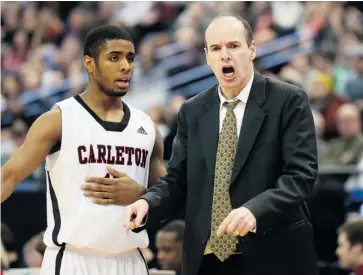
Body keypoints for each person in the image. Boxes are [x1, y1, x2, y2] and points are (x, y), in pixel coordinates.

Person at [124, 14, 319, 275]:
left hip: (273, 254)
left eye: (233, 46)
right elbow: (176, 181)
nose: (225, 55)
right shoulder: (192, 111)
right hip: (207, 259)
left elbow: (300, 176)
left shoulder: (287, 100)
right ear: (207, 56)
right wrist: (147, 202)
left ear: (251, 49)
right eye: (216, 48)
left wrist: (255, 210)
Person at [1, 25, 166, 275]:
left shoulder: (147, 127)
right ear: (89, 63)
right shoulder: (58, 119)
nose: (126, 66)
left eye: (130, 58)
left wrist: (142, 194)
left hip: (132, 261)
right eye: (114, 57)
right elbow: (8, 177)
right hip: (73, 260)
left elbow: (170, 197)